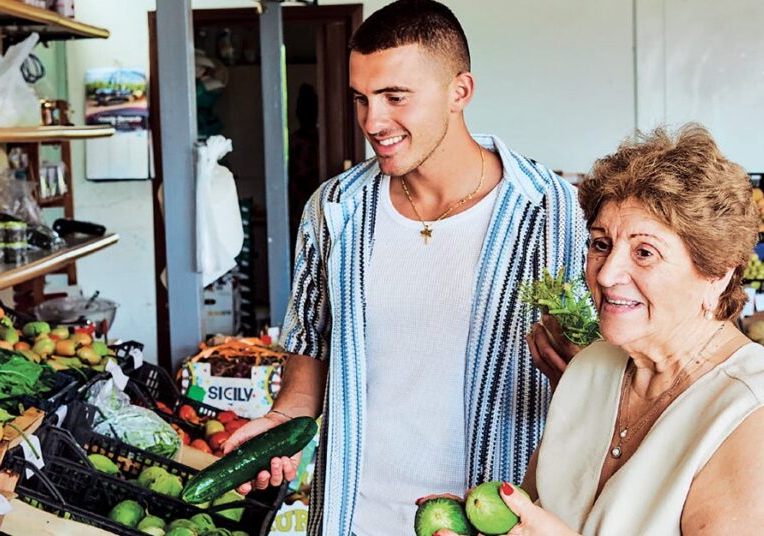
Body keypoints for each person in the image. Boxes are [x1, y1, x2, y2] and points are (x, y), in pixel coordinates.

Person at [221, 1, 588, 534]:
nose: (374, 122)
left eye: (396, 97)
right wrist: (281, 423)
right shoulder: (333, 210)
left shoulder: (552, 211)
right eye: (361, 99)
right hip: (353, 514)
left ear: (460, 91)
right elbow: (306, 366)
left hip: (495, 519)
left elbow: (593, 379)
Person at [477, 125, 764, 535]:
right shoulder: (590, 368)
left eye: (644, 252)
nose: (608, 273)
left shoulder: (763, 427)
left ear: (716, 274)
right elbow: (531, 514)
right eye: (601, 244)